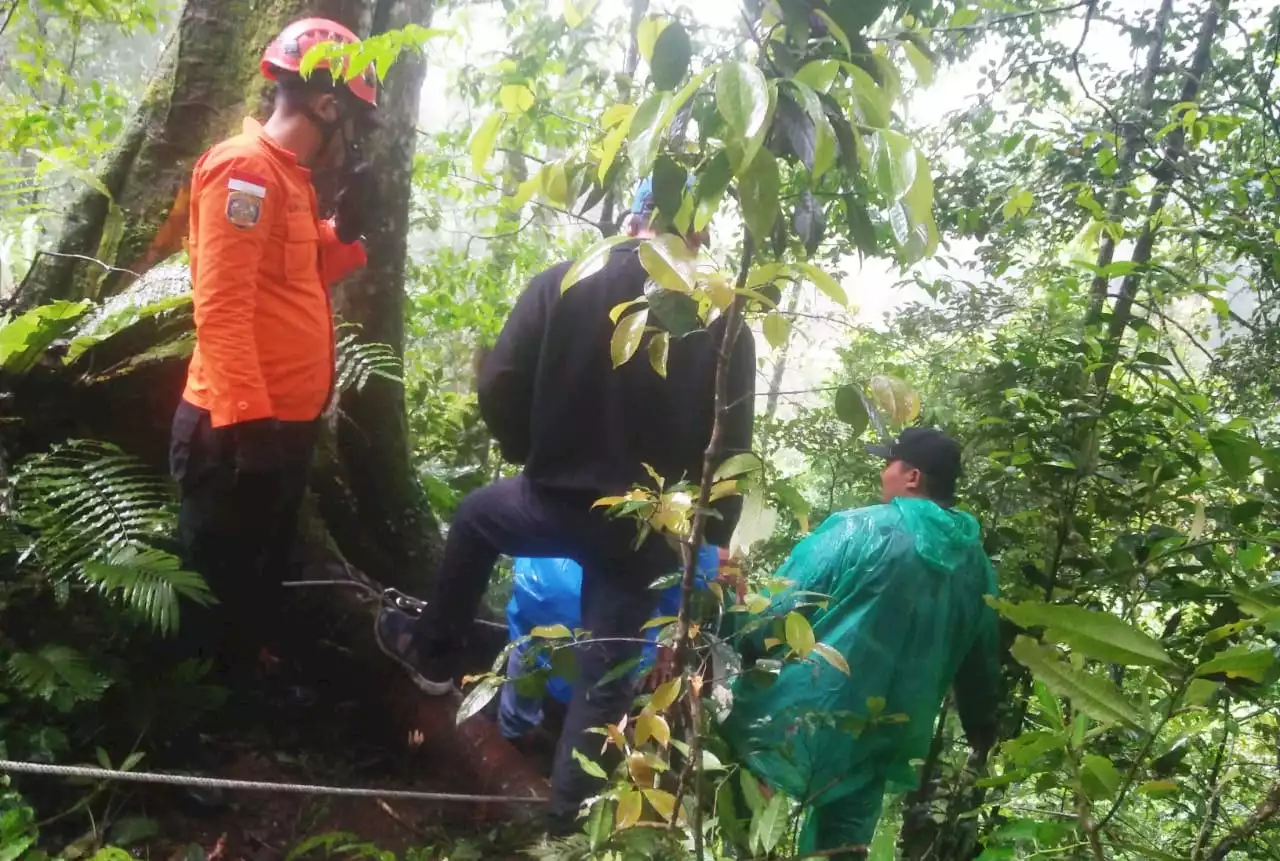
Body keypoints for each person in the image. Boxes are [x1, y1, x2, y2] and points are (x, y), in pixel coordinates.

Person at [376, 176, 756, 828]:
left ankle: (433, 654)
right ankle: (564, 824)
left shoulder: (566, 280)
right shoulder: (724, 324)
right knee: (603, 680)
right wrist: (704, 534)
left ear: (634, 217)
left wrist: (531, 449)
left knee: (474, 518)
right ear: (698, 231)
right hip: (645, 534)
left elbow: (500, 380)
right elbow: (732, 453)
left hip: (551, 500)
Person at [169, 18, 379, 673]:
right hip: (234, 431)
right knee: (210, 584)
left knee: (257, 572)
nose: (354, 140)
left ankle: (241, 697)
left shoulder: (290, 180)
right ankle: (187, 728)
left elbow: (300, 277)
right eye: (356, 122)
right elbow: (222, 308)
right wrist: (250, 423)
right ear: (327, 105)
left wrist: (348, 230)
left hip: (282, 425)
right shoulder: (245, 172)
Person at [721, 427, 1002, 860]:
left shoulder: (861, 528)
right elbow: (981, 659)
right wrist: (982, 725)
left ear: (912, 477)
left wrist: (738, 636)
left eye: (889, 463)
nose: (882, 472)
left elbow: (783, 609)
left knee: (748, 814)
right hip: (882, 731)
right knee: (845, 844)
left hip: (797, 709)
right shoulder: (977, 565)